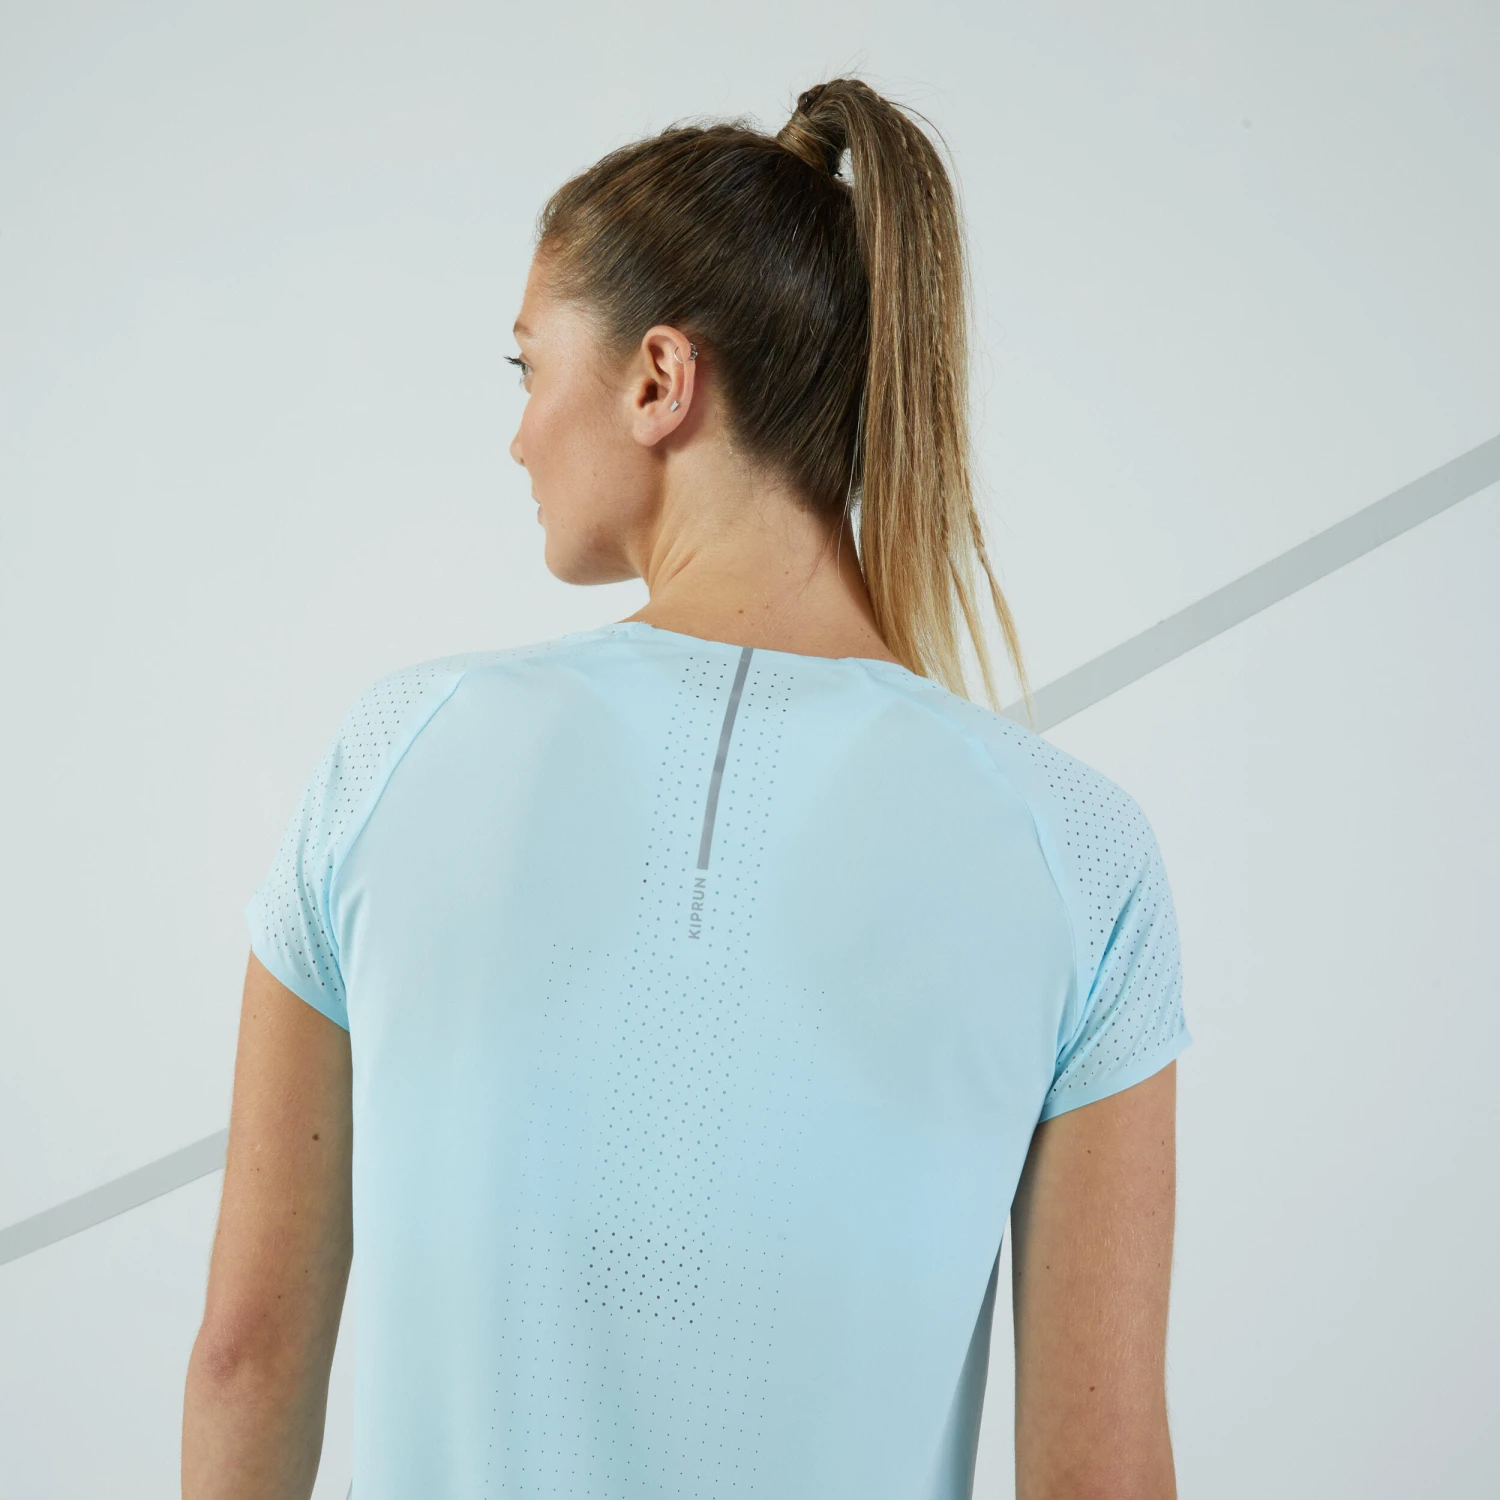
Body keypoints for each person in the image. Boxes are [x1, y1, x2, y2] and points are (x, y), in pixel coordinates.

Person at [182, 77, 1190, 1500]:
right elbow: (1100, 1475)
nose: (518, 435)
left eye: (527, 368)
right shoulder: (1078, 853)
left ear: (659, 379)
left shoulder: (396, 757)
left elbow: (249, 1356)